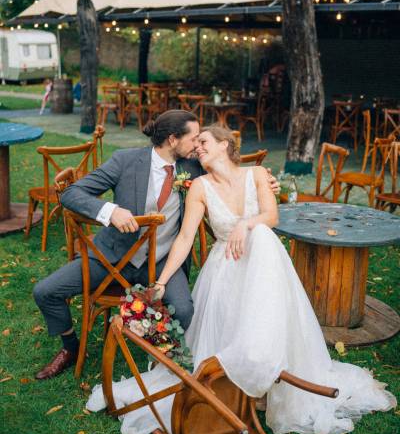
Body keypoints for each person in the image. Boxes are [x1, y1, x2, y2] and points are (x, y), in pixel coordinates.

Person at [87, 126, 396, 434]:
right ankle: (242, 382)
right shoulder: (199, 187)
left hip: (264, 268)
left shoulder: (258, 174)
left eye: (203, 142)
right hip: (226, 270)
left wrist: (246, 225)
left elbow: (271, 216)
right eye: (195, 147)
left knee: (261, 234)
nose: (197, 149)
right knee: (254, 247)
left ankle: (265, 374)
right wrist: (162, 282)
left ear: (224, 144)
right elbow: (184, 239)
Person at [32, 111, 279, 379]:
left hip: (163, 262)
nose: (197, 145)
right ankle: (70, 348)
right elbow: (71, 193)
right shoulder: (124, 161)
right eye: (194, 138)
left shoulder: (194, 167)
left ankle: (156, 352)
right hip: (112, 258)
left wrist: (266, 180)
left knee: (184, 310)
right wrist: (110, 210)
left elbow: (232, 173)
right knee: (46, 292)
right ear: (173, 139)